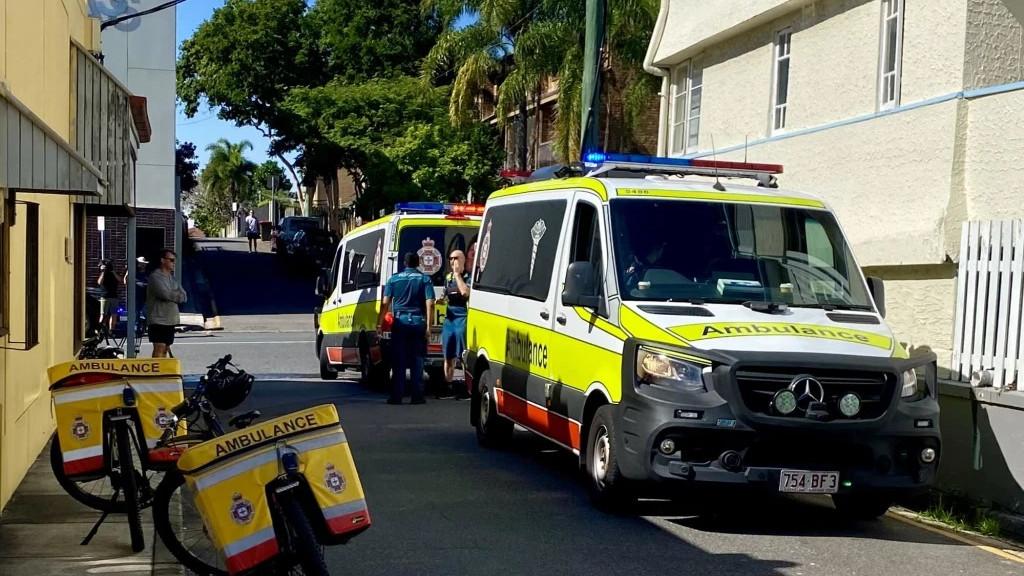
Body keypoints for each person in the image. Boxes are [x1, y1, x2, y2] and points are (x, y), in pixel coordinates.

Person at [378, 252, 435, 405]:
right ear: (418, 263)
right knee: (417, 360)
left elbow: (384, 303)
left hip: (400, 322)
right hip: (418, 322)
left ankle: (396, 396)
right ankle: (417, 396)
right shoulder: (425, 279)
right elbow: (430, 304)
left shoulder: (394, 279)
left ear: (404, 263)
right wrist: (429, 327)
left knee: (398, 360)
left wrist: (379, 324)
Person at [439, 249, 471, 399]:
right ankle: (448, 385)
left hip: (462, 317)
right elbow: (446, 294)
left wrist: (458, 275)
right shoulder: (448, 277)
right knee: (448, 354)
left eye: (456, 258)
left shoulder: (467, 277)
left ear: (463, 260)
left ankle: (466, 387)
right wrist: (441, 299)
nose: (452, 262)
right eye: (450, 259)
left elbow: (465, 293)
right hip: (449, 318)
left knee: (462, 354)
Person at [147, 249, 187, 358]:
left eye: (174, 261)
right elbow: (164, 294)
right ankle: (156, 373)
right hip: (158, 319)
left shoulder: (172, 278)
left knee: (165, 349)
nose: (174, 263)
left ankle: (162, 372)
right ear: (162, 260)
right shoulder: (155, 276)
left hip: (170, 320)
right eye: (171, 260)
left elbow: (184, 295)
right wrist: (175, 294)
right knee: (159, 347)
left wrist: (175, 294)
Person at [97, 259, 120, 334]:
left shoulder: (114, 273)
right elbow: (99, 282)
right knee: (103, 315)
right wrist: (103, 272)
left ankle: (111, 331)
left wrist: (113, 271)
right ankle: (100, 331)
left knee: (114, 315)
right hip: (105, 296)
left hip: (114, 296)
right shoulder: (103, 273)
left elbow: (120, 280)